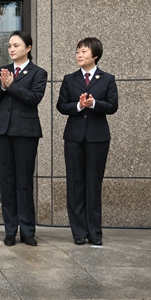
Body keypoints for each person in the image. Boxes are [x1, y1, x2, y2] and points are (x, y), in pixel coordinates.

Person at [0, 31, 47, 247]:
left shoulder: (38, 73)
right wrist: (3, 86)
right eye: (10, 46)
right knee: (6, 181)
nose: (11, 49)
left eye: (16, 45)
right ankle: (10, 230)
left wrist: (12, 85)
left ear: (28, 48)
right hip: (2, 131)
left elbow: (34, 98)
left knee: (24, 181)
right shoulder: (2, 71)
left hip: (25, 132)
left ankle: (28, 230)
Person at [57, 37, 118, 246]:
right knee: (75, 184)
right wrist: (79, 106)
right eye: (77, 51)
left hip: (97, 137)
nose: (79, 55)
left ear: (95, 55)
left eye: (84, 51)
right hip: (74, 137)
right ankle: (78, 232)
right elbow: (61, 105)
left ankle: (95, 232)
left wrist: (93, 104)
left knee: (93, 184)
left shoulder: (107, 79)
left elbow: (112, 106)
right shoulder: (69, 79)